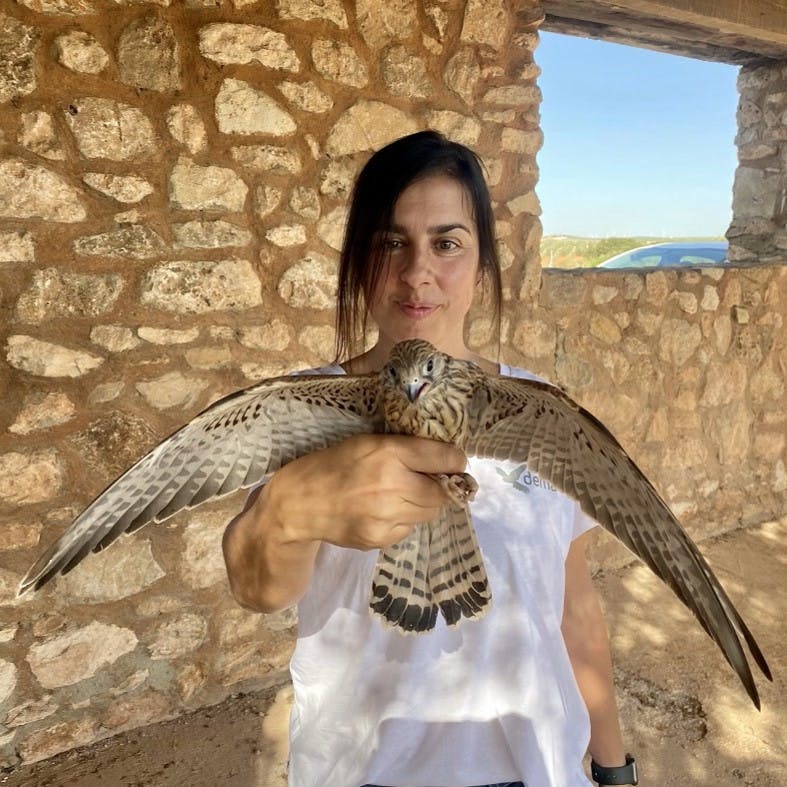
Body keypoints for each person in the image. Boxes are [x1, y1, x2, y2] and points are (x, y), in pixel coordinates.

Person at [222, 131, 635, 787]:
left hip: (535, 769)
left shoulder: (542, 411)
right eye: (391, 243)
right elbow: (257, 589)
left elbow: (574, 604)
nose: (417, 271)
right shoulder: (309, 402)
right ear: (360, 261)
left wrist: (615, 767)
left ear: (482, 267)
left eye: (445, 243)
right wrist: (277, 514)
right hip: (361, 769)